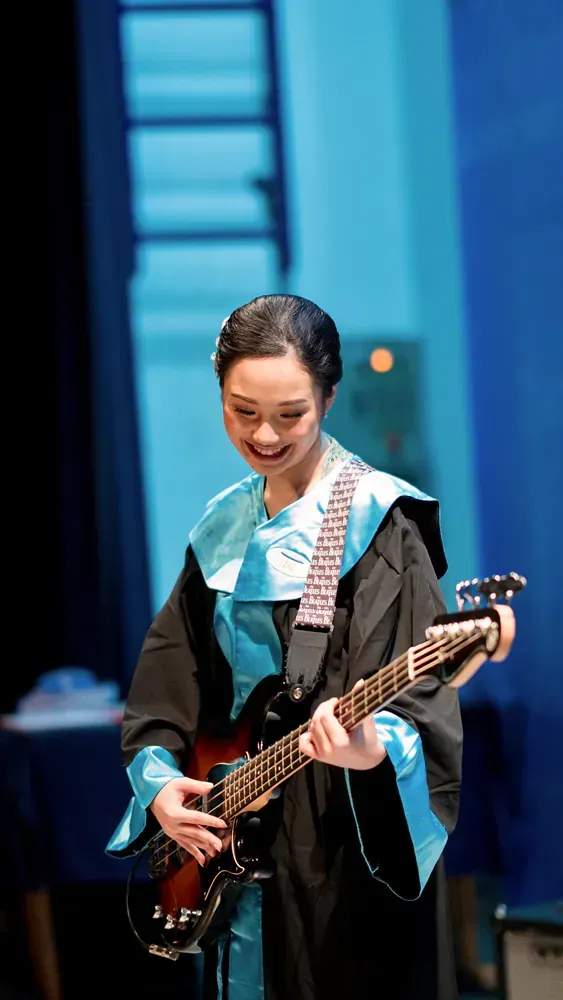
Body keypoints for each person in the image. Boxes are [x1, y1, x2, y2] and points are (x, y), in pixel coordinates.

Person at [107, 294, 463, 1000]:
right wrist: (160, 790)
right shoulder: (221, 528)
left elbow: (420, 711)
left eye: (289, 414)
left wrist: (367, 748)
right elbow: (164, 689)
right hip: (227, 856)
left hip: (337, 860)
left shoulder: (380, 525)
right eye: (243, 411)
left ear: (329, 397)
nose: (264, 434)